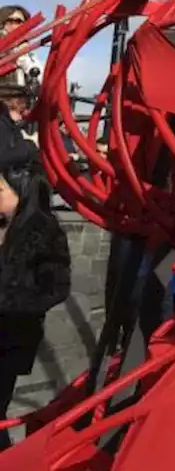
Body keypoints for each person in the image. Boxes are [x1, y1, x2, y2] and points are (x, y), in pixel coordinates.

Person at [0, 169, 71, 450]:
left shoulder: (45, 233)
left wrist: (8, 303)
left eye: (1, 191)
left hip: (12, 338)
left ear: (23, 193)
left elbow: (56, 289)